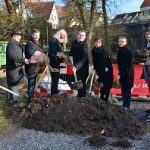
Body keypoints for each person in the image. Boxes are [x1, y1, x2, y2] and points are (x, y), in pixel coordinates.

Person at [6, 28, 29, 107]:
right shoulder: (11, 44)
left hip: (16, 68)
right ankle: (14, 103)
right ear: (12, 36)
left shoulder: (16, 44)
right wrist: (23, 60)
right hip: (13, 69)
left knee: (11, 85)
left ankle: (9, 100)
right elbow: (12, 56)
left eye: (20, 35)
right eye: (17, 35)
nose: (19, 37)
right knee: (13, 85)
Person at [92, 36, 113, 102]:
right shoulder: (94, 51)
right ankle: (101, 100)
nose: (98, 43)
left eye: (99, 42)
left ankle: (105, 101)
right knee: (101, 86)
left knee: (105, 86)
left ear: (101, 43)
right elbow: (95, 62)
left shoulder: (104, 51)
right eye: (96, 42)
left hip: (106, 71)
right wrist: (95, 70)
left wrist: (98, 74)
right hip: (99, 70)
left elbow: (103, 63)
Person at [25, 28, 43, 102]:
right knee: (31, 82)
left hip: (36, 66)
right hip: (31, 66)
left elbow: (40, 51)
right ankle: (30, 99)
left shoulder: (37, 43)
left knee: (34, 82)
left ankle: (31, 95)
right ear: (32, 35)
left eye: (37, 35)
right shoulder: (30, 43)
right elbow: (31, 53)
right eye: (35, 35)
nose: (36, 37)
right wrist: (42, 55)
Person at [48, 29, 68, 95]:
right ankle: (53, 95)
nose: (62, 36)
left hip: (59, 64)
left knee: (56, 80)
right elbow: (52, 54)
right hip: (54, 64)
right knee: (55, 80)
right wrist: (58, 63)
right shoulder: (54, 41)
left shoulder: (60, 42)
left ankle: (55, 94)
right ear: (58, 34)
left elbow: (60, 53)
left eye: (63, 35)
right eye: (61, 34)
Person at [69, 30, 89, 97]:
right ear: (77, 35)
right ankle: (79, 97)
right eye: (80, 35)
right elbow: (71, 51)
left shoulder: (85, 46)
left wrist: (76, 67)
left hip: (82, 68)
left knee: (81, 84)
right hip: (75, 67)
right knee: (76, 83)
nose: (81, 36)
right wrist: (70, 56)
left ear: (85, 37)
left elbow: (83, 59)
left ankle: (82, 98)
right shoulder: (74, 43)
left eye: (83, 35)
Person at [117, 36, 134, 109]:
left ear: (126, 42)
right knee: (123, 89)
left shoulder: (128, 51)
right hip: (123, 73)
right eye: (120, 41)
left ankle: (126, 106)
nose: (120, 43)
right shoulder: (120, 50)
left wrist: (121, 74)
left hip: (127, 74)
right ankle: (125, 104)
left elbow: (127, 65)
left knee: (126, 90)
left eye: (122, 41)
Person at [142, 27, 150, 118]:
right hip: (147, 70)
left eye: (149, 34)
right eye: (147, 34)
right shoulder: (146, 44)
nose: (148, 36)